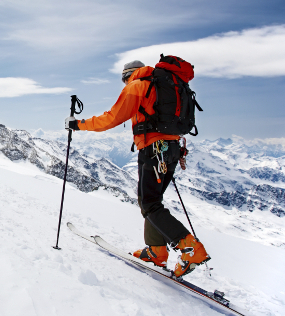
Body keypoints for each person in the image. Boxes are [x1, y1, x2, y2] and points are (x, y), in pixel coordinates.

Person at [65, 60, 210, 277]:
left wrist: (78, 124)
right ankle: (157, 251)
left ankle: (190, 248)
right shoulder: (166, 85)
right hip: (171, 149)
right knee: (151, 202)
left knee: (150, 204)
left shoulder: (138, 85)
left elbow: (112, 118)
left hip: (153, 150)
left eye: (124, 79)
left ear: (128, 75)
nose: (124, 83)